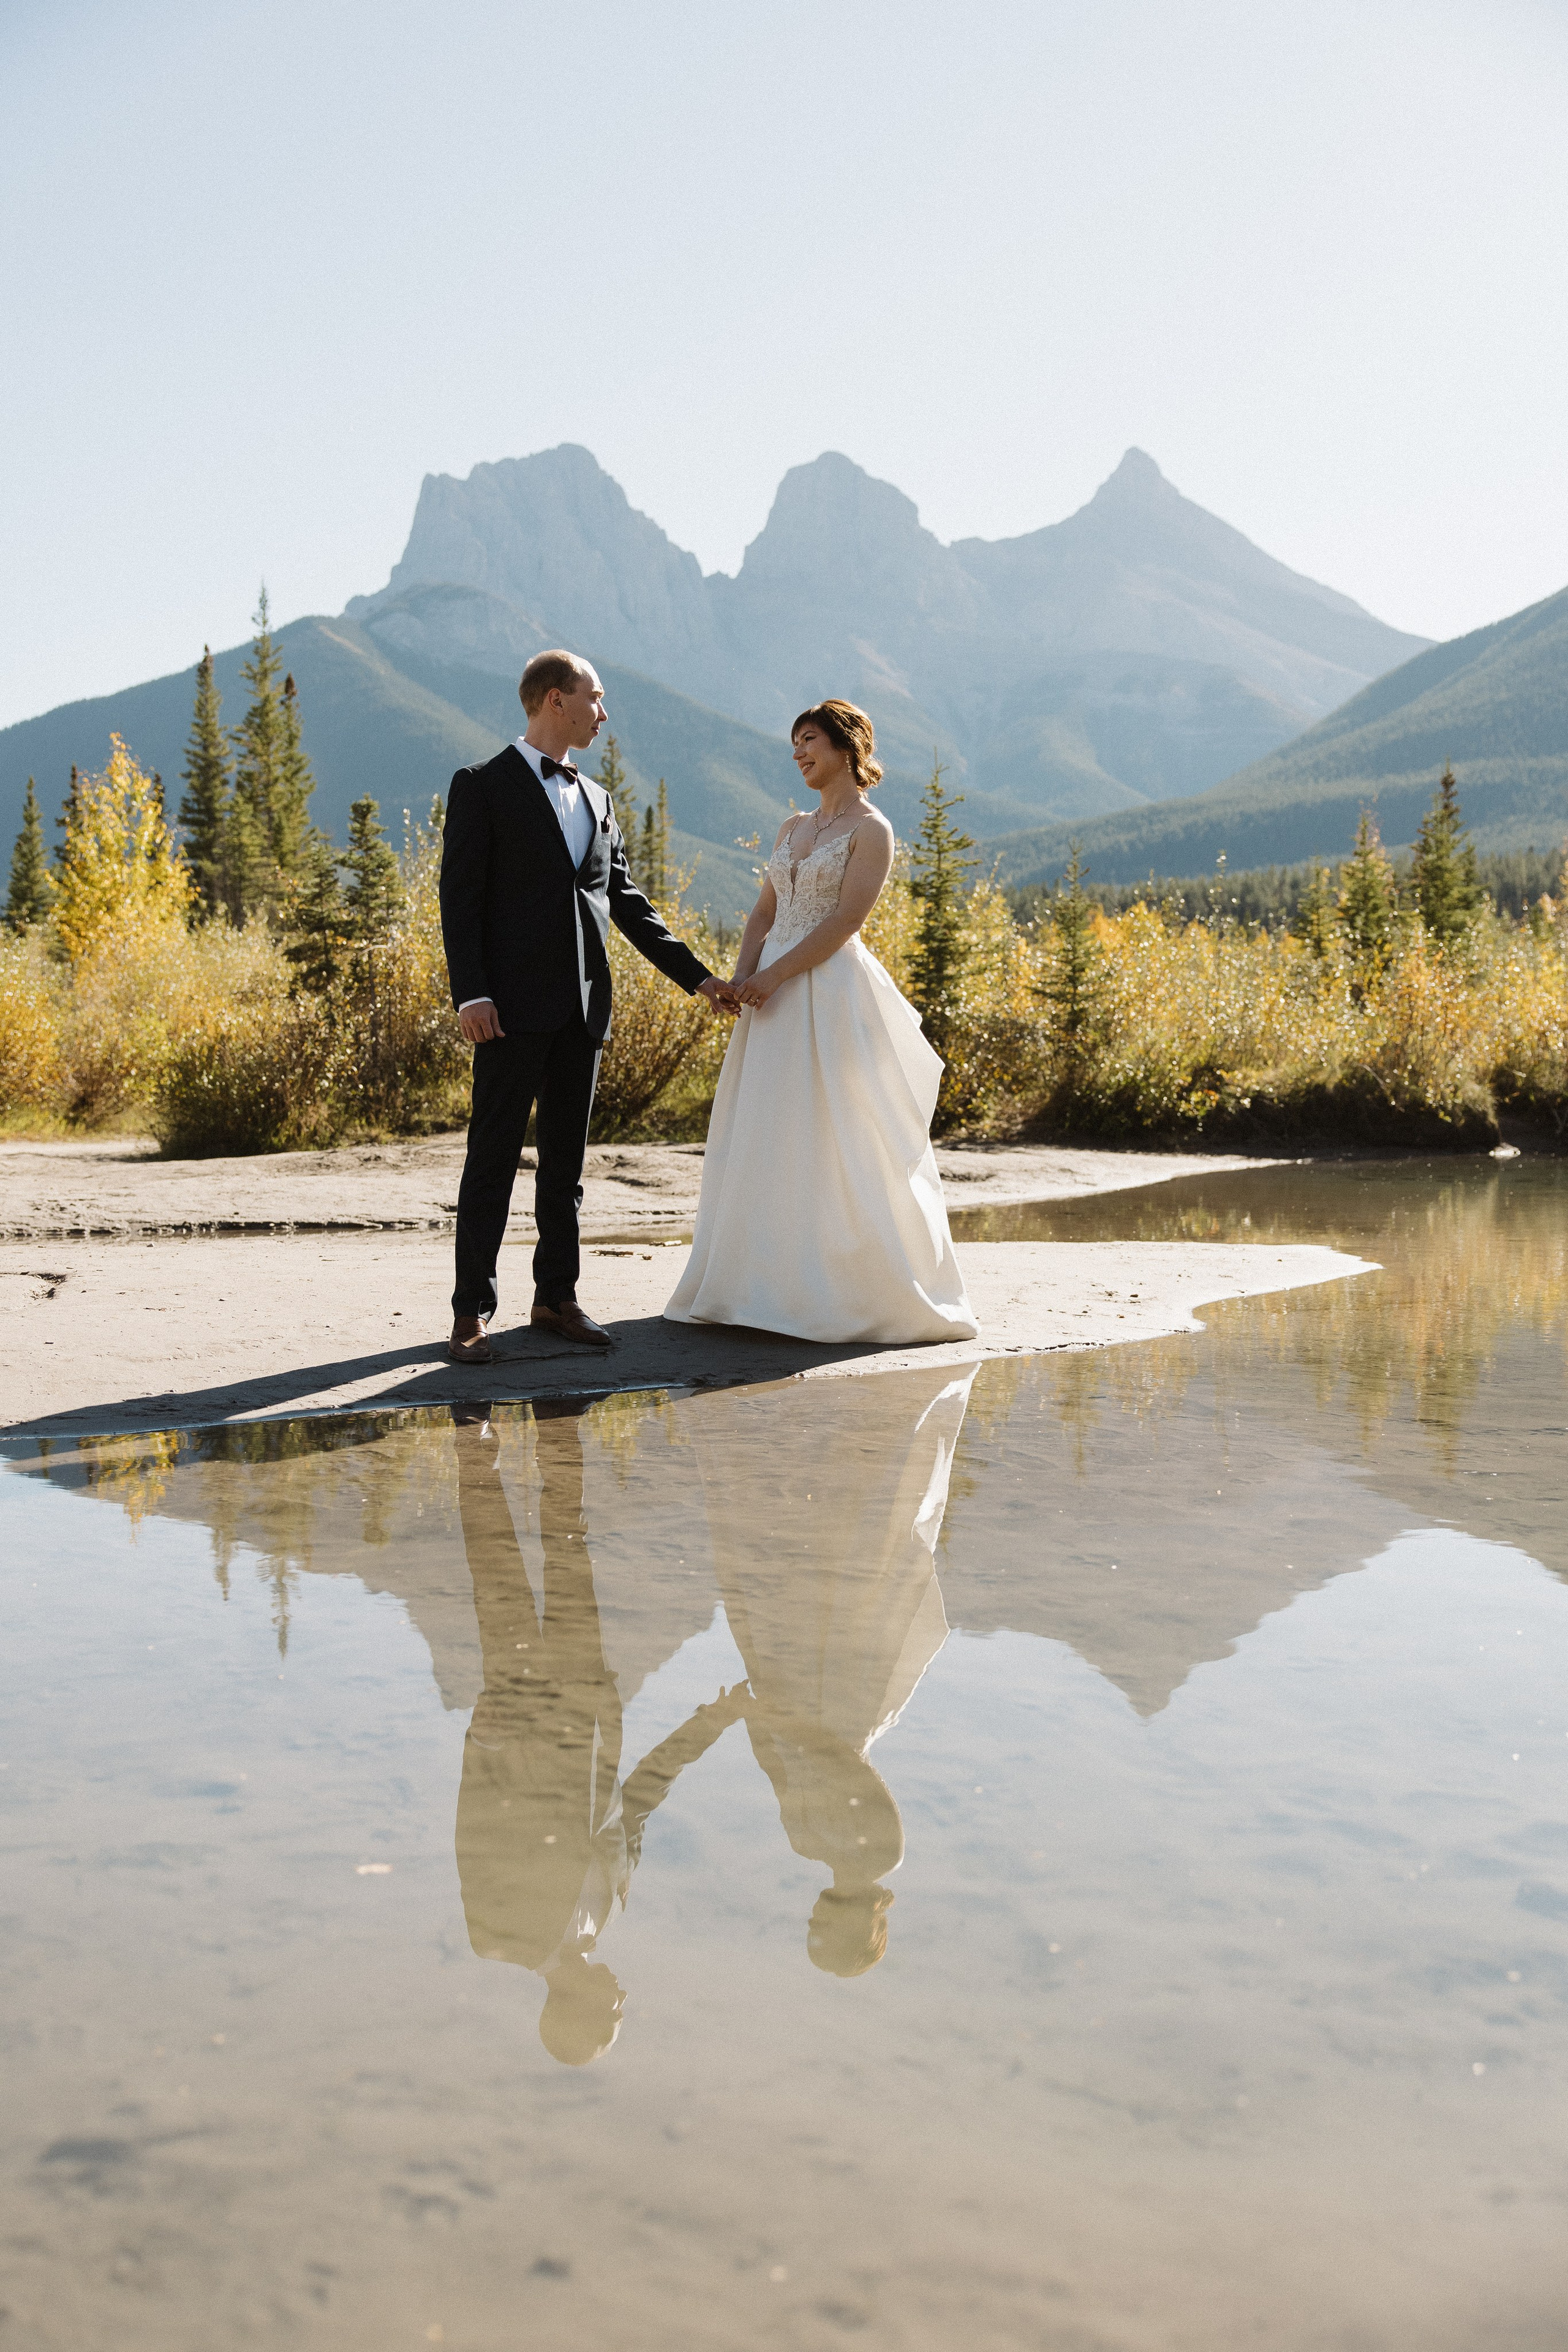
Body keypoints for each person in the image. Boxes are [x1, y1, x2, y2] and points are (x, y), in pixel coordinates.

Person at [439, 649, 734, 1364]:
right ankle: (470, 1314)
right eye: (594, 698)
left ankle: (555, 1298)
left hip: (583, 1011)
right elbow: (459, 897)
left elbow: (627, 904)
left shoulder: (598, 799)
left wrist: (699, 979)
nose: (604, 714)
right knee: (493, 1160)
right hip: (506, 1009)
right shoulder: (481, 785)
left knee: (566, 1169)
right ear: (552, 700)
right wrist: (471, 993)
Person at [664, 698, 977, 1346]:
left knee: (838, 1129)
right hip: (767, 993)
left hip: (828, 989)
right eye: (795, 745)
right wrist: (738, 978)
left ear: (846, 746)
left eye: (809, 741)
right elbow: (761, 913)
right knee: (766, 1125)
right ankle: (756, 1286)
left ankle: (838, 1287)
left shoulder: (872, 830)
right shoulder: (790, 827)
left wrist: (775, 977)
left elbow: (844, 922)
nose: (800, 754)